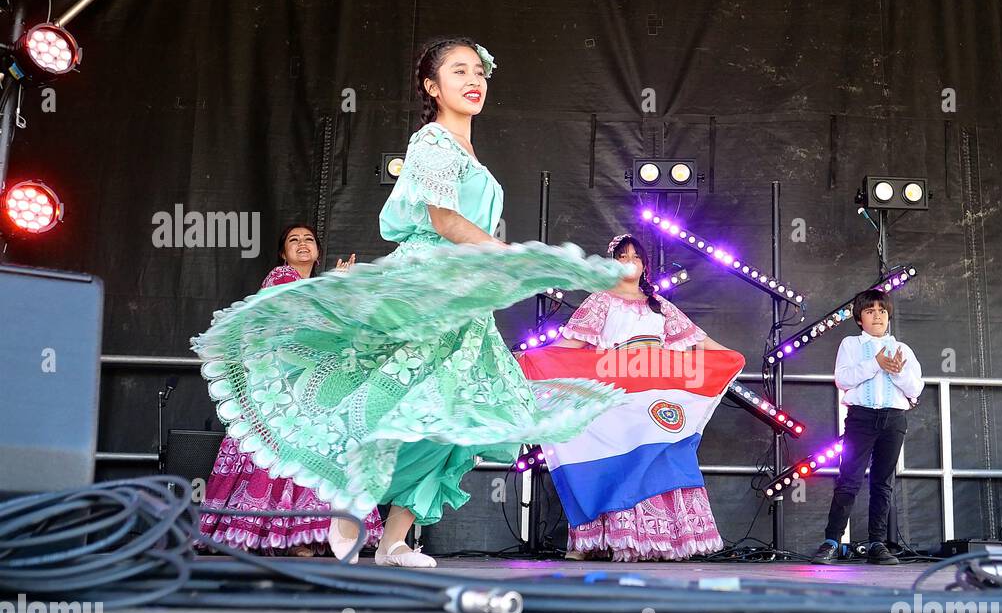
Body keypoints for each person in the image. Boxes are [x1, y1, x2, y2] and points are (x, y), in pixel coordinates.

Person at [192, 38, 628, 569]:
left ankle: (395, 539)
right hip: (429, 283)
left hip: (465, 295)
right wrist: (513, 255)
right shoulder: (433, 143)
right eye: (458, 70)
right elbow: (444, 221)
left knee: (457, 415)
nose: (474, 80)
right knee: (393, 391)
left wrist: (508, 263)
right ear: (431, 86)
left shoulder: (468, 153)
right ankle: (354, 482)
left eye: (479, 71)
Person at [548, 233, 736, 561]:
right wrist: (534, 357)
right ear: (611, 262)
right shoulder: (599, 301)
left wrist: (731, 356)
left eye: (636, 256)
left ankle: (658, 541)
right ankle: (596, 542)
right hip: (616, 396)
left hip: (653, 397)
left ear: (645, 264)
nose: (630, 261)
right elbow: (570, 346)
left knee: (661, 457)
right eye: (622, 256)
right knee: (617, 461)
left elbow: (698, 341)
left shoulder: (659, 305)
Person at [199, 224, 383, 556]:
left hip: (309, 388)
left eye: (309, 239)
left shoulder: (317, 286)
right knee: (282, 456)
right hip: (279, 388)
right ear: (283, 253)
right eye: (293, 241)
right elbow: (299, 319)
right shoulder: (281, 278)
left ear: (318, 251)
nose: (302, 244)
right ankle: (269, 535)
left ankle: (306, 537)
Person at [811, 289, 923, 565]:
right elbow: (843, 380)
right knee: (849, 479)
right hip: (861, 418)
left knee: (882, 483)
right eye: (870, 311)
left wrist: (894, 370)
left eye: (882, 311)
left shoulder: (902, 349)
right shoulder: (850, 344)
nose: (877, 316)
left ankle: (877, 542)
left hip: (894, 418)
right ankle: (832, 541)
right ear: (860, 318)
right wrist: (875, 364)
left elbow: (915, 388)